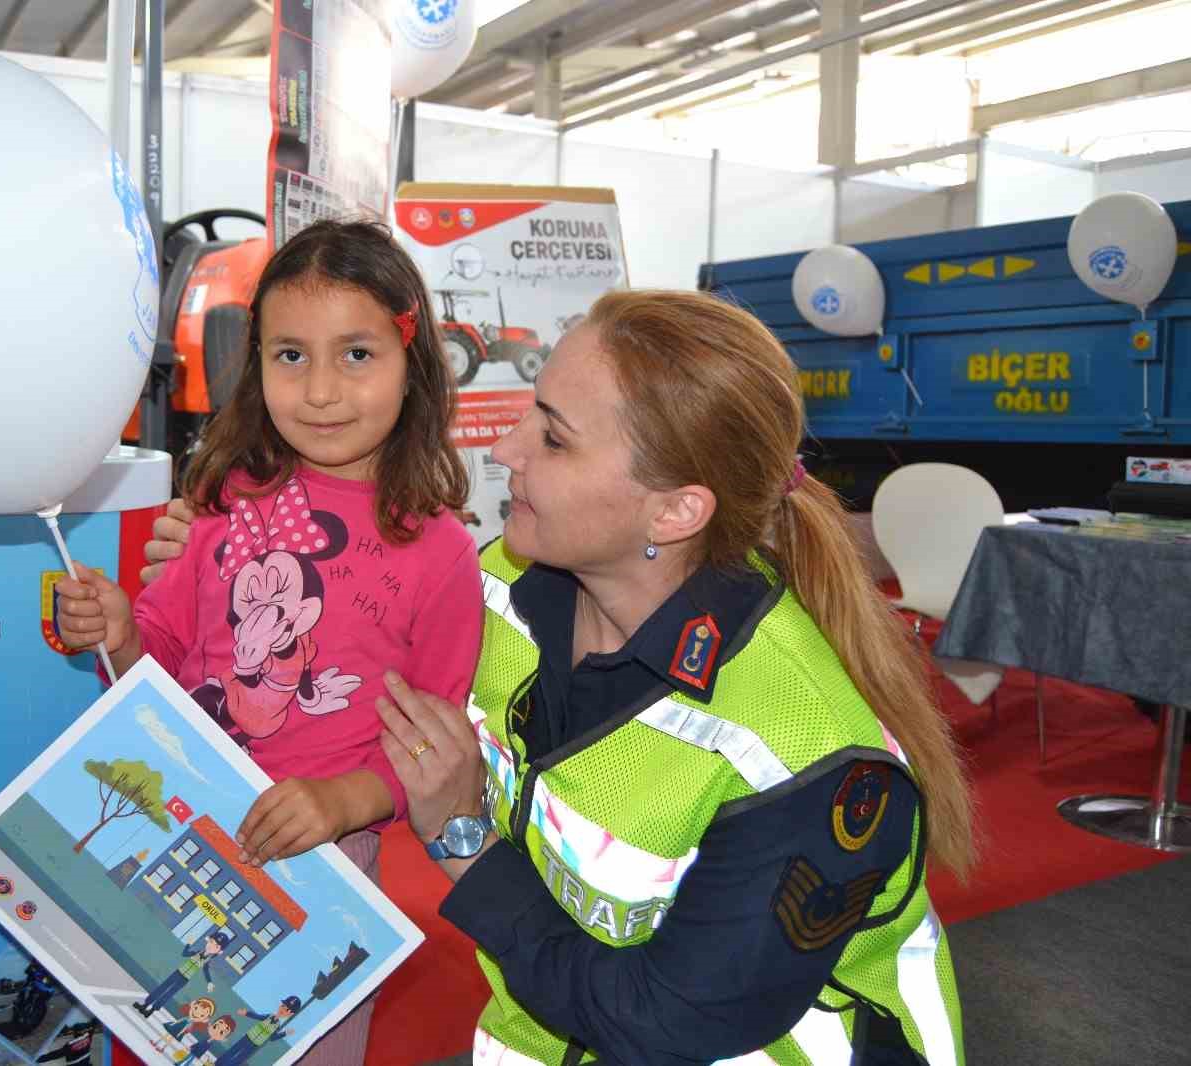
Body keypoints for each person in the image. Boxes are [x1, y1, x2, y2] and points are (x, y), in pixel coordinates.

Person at [146, 290, 976, 1065]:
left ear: (676, 511)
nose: (504, 450)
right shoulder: (504, 586)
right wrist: (215, 555)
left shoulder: (801, 756)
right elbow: (335, 637)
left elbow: (655, 1021)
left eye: (552, 435)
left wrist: (461, 840)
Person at [58, 219, 481, 1066]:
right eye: (291, 355)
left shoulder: (439, 551)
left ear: (413, 365)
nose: (320, 390)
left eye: (356, 355)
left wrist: (341, 802)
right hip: (178, 823)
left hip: (319, 859)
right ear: (255, 364)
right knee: (162, 1037)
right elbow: (165, 655)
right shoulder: (221, 500)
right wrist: (119, 632)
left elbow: (435, 747)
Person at [133, 931, 231, 1019]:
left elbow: (206, 972)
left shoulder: (207, 961)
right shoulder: (197, 952)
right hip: (178, 972)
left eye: (216, 946)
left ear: (219, 951)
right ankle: (145, 1005)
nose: (211, 946)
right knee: (162, 988)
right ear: (208, 941)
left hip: (184, 979)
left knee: (168, 994)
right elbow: (184, 954)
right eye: (211, 942)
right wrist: (188, 943)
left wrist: (209, 982)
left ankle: (151, 1011)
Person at [214, 996, 300, 1066]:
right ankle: (217, 1064)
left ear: (290, 1014)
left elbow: (272, 1038)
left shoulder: (277, 1026)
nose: (283, 1010)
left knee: (240, 1058)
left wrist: (285, 1033)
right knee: (233, 1050)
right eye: (283, 1006)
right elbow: (257, 1016)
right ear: (280, 1005)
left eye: (287, 1010)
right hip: (248, 1037)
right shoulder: (269, 1016)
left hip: (255, 1045)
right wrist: (246, 1013)